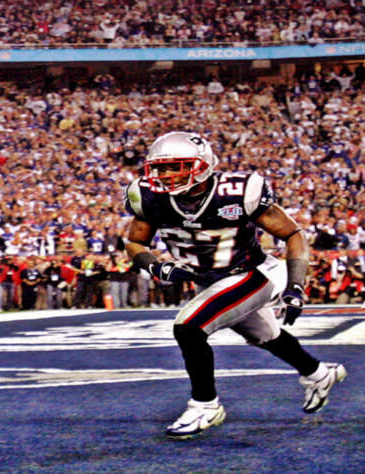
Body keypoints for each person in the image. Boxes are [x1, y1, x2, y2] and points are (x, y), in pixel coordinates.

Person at [123, 131, 346, 440]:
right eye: (159, 168)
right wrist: (154, 264)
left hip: (253, 272)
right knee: (266, 336)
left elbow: (293, 234)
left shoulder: (239, 192)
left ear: (202, 165)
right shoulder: (148, 195)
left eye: (175, 167)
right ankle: (319, 374)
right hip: (210, 280)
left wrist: (296, 285)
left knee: (189, 327)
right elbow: (135, 242)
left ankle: (206, 405)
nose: (165, 175)